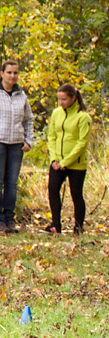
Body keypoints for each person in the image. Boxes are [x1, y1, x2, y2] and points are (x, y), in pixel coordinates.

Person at [45, 84, 92, 234]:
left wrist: (65, 162)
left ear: (73, 98)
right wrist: (55, 160)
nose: (61, 103)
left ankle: (78, 226)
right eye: (59, 99)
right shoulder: (56, 113)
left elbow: (82, 143)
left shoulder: (83, 117)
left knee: (76, 194)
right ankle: (55, 224)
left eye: (64, 99)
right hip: (57, 161)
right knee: (53, 189)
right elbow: (52, 136)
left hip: (76, 164)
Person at [0, 60, 34, 234]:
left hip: (16, 146)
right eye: (9, 72)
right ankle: (0, 221)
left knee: (11, 184)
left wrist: (29, 141)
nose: (12, 76)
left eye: (15, 73)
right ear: (2, 73)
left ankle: (9, 220)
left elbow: (28, 120)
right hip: (0, 143)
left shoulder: (21, 95)